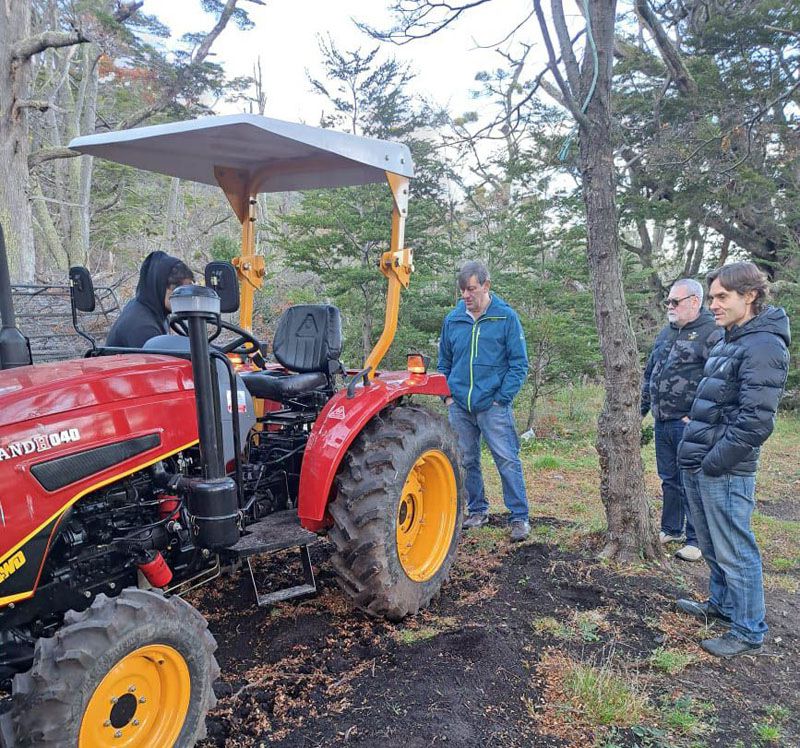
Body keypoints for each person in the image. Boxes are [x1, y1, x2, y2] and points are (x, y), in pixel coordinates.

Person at [677, 262, 790, 658]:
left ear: (750, 295)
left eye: (722, 297)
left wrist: (714, 461)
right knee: (712, 545)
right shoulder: (731, 338)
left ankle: (748, 629)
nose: (714, 305)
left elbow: (756, 421)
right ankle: (722, 606)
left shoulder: (764, 345)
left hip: (725, 469)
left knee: (735, 550)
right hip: (700, 461)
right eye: (711, 297)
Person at [437, 260, 530, 542]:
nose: (466, 295)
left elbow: (519, 364)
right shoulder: (453, 320)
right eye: (462, 290)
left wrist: (501, 399)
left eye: (471, 289)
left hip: (493, 406)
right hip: (459, 406)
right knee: (466, 460)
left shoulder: (506, 318)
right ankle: (477, 510)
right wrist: (447, 397)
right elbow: (444, 363)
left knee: (507, 459)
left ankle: (519, 517)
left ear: (486, 285)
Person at [641, 279, 722, 562]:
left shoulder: (712, 332)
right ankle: (671, 528)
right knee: (669, 479)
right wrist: (640, 411)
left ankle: (696, 540)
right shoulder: (666, 332)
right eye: (668, 301)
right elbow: (650, 373)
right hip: (662, 420)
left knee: (692, 480)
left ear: (694, 301)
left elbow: (719, 380)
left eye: (675, 301)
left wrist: (700, 416)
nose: (670, 306)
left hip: (690, 423)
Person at [106, 251, 194, 348]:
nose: (185, 297)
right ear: (161, 287)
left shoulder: (149, 307)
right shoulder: (142, 327)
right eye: (180, 291)